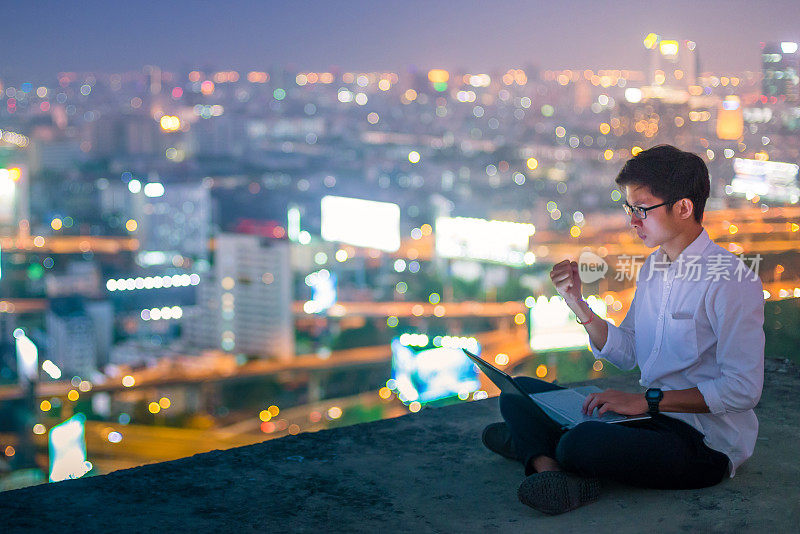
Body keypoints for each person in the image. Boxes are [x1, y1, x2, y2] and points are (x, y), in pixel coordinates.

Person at [481, 145, 765, 515]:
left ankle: (543, 449)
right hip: (648, 420)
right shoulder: (653, 269)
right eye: (629, 208)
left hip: (704, 442)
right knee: (517, 393)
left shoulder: (730, 280)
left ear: (683, 207)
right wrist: (576, 303)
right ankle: (550, 467)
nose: (633, 221)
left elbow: (742, 389)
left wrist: (646, 401)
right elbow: (629, 349)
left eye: (642, 209)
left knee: (581, 443)